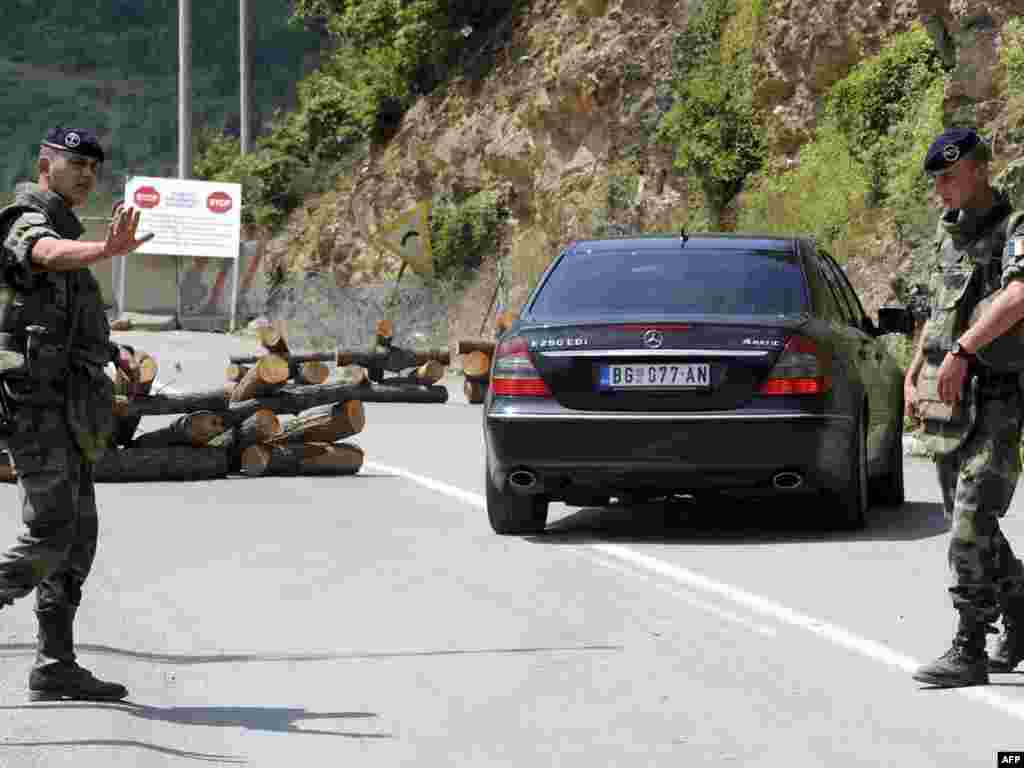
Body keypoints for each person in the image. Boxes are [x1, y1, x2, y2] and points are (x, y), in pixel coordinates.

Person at [0, 127, 152, 700]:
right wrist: (105, 251)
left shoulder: (67, 226)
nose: (87, 174)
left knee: (78, 538)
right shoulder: (25, 218)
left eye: (93, 166)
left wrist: (114, 351)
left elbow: (60, 321)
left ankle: (54, 662)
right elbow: (40, 253)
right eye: (75, 163)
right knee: (51, 534)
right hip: (34, 407)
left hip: (70, 409)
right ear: (45, 164)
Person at [904, 127, 1024, 687]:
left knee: (972, 524)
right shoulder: (947, 236)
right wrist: (915, 368)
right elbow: (937, 306)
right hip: (950, 401)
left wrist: (961, 349)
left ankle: (969, 646)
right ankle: (1021, 613)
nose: (941, 191)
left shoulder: (1014, 228)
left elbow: (1020, 295)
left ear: (979, 170)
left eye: (949, 177)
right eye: (936, 182)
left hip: (998, 398)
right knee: (969, 523)